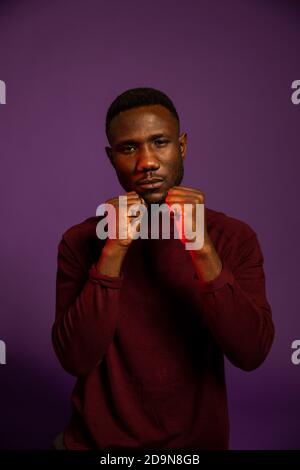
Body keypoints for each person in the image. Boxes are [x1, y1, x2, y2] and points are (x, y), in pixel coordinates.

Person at [52, 87, 275, 450]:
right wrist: (114, 250)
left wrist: (202, 248)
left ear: (182, 146)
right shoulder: (80, 241)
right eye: (129, 148)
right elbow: (76, 358)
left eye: (159, 142)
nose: (147, 162)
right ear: (111, 158)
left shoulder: (233, 237)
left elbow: (251, 353)